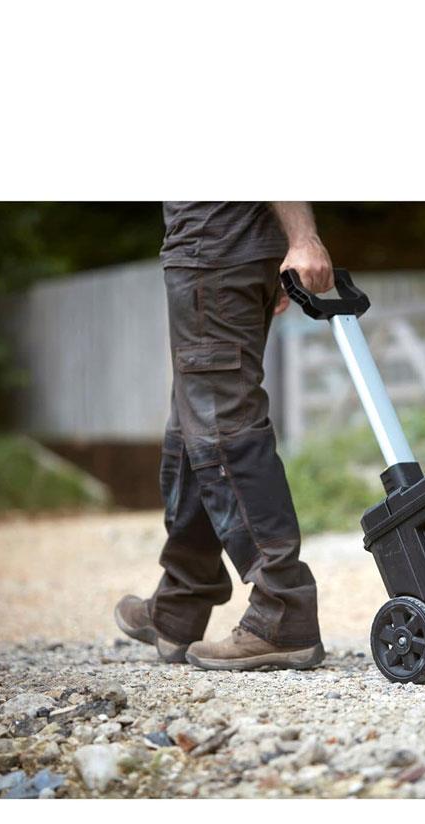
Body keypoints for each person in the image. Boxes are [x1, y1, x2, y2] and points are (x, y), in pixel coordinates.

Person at [114, 202, 333, 670]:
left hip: (215, 252)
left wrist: (302, 239)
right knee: (193, 427)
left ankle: (283, 607)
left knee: (222, 430)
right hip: (223, 252)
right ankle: (180, 603)